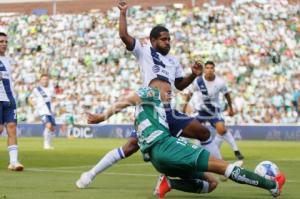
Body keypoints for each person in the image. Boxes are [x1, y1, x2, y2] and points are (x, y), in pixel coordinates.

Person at [76, 0, 222, 188]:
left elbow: (180, 85)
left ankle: (218, 168)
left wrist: (193, 75)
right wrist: (122, 14)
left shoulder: (173, 61)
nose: (167, 42)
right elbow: (124, 36)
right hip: (151, 111)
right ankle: (90, 174)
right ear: (153, 40)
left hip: (169, 110)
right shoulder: (143, 51)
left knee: (203, 132)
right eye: (163, 39)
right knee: (129, 147)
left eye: (169, 39)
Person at [80, 86, 285, 198]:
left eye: (171, 90)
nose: (170, 92)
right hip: (165, 147)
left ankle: (169, 183)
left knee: (211, 184)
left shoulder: (157, 112)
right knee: (222, 167)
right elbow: (128, 99)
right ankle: (272, 185)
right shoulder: (150, 94)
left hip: (158, 160)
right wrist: (102, 116)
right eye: (166, 89)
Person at [184, 61, 244, 160]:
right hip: (201, 111)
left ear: (214, 69)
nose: (209, 70)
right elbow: (190, 93)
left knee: (222, 129)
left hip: (214, 111)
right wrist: (185, 106)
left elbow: (227, 95)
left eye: (211, 68)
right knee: (189, 128)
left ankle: (233, 150)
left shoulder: (220, 82)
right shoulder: (198, 81)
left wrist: (231, 108)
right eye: (207, 68)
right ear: (204, 70)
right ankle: (188, 151)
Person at [0, 32, 24, 171]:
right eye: (1, 41)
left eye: (5, 42)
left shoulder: (8, 60)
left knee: (12, 128)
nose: (4, 44)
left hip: (9, 99)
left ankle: (14, 162)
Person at [29, 74, 56, 150]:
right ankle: (46, 144)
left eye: (46, 79)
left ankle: (49, 144)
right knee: (48, 125)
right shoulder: (37, 89)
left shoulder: (51, 89)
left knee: (51, 128)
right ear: (40, 81)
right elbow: (30, 98)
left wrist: (54, 106)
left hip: (50, 111)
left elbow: (53, 99)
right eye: (43, 79)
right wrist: (33, 104)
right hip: (42, 111)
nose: (45, 81)